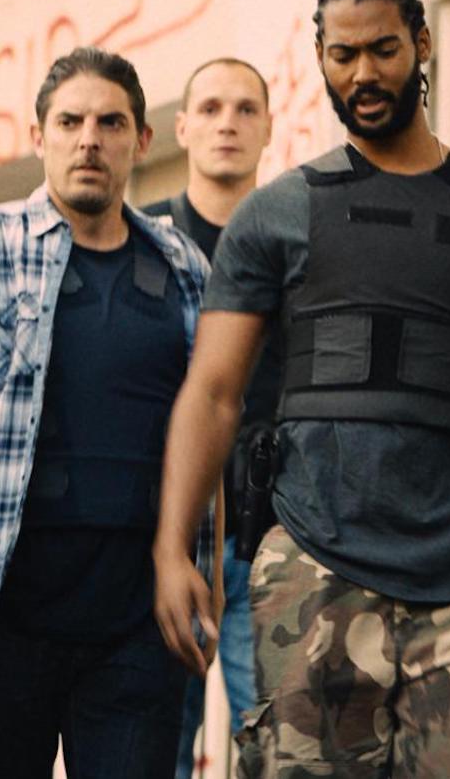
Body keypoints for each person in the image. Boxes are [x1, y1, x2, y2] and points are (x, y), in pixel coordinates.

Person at [151, 0, 450, 777]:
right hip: (314, 561)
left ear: (422, 44)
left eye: (383, 50)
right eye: (342, 55)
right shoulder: (276, 212)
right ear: (320, 57)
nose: (363, 74)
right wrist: (174, 548)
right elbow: (211, 392)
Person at [0, 46, 211, 778]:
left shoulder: (185, 266)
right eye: (70, 122)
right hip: (3, 619)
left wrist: (198, 572)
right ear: (39, 137)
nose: (89, 139)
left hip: (139, 620)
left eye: (110, 123)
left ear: (142, 140)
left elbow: (212, 423)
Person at [142, 57, 275, 779]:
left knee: (282, 747)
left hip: (271, 537)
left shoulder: (295, 240)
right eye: (212, 107)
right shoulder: (142, 239)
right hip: (165, 535)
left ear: (269, 127)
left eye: (246, 108)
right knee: (155, 744)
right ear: (182, 127)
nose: (228, 123)